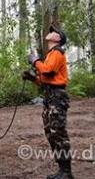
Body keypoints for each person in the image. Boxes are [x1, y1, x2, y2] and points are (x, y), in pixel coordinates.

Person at [24, 26, 72, 179]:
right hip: (50, 97)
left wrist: (35, 61)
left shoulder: (57, 52)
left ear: (58, 39)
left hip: (57, 97)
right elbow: (46, 80)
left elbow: (47, 70)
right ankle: (62, 169)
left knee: (58, 132)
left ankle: (66, 171)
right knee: (51, 133)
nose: (50, 32)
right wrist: (32, 78)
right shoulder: (51, 54)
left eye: (54, 32)